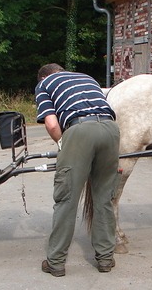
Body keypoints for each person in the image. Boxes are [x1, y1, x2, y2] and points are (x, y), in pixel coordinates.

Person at [35, 63, 120, 277]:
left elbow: (53, 125)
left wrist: (64, 145)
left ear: (43, 76)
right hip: (110, 129)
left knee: (66, 199)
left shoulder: (45, 83)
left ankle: (55, 262)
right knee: (104, 197)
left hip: (79, 129)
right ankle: (105, 259)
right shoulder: (87, 76)